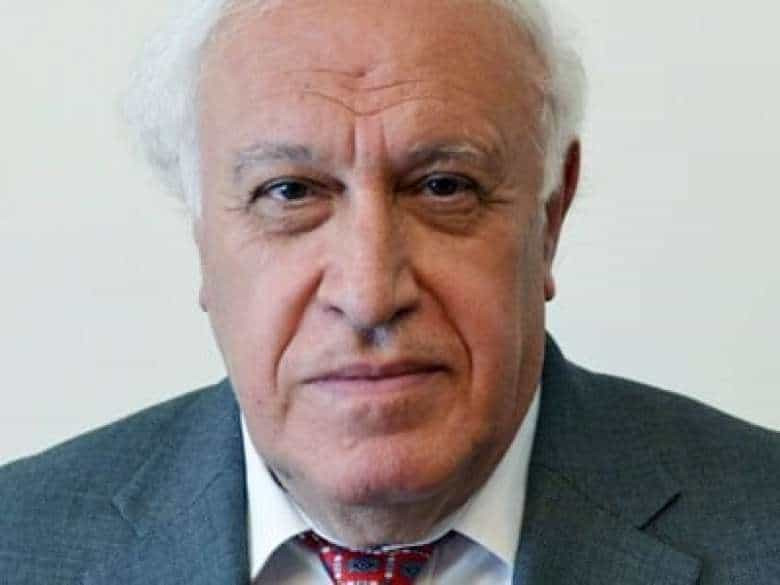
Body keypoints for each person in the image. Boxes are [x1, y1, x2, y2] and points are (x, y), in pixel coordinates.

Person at [0, 0, 777, 583]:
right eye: (289, 192)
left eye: (443, 186)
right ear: (201, 229)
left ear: (550, 214)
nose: (370, 294)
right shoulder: (20, 542)